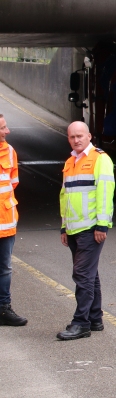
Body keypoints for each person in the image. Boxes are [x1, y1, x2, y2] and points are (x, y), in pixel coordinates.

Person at [57, 121, 114, 341]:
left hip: (91, 228)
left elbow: (105, 194)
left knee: (82, 275)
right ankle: (95, 318)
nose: (76, 140)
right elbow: (65, 196)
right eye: (72, 137)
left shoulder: (100, 159)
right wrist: (64, 226)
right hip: (73, 229)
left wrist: (102, 225)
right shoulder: (70, 161)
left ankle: (81, 323)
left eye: (80, 136)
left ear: (89, 136)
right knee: (90, 275)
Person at [0, 114, 26, 326]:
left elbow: (12, 183)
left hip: (6, 223)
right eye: (2, 128)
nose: (7, 131)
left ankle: (3, 309)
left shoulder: (10, 151)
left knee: (5, 268)